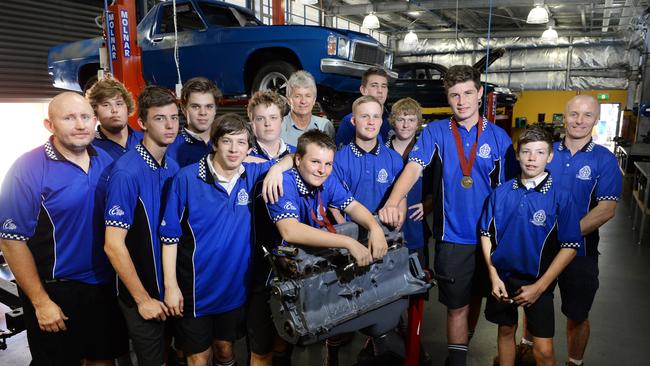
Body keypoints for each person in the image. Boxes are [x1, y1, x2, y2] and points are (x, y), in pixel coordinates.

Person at [379, 65, 516, 366]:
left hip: (490, 239)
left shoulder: (499, 139)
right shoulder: (437, 132)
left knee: (477, 297)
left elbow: (510, 192)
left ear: (480, 94)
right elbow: (413, 168)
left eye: (468, 93)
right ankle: (457, 361)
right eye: (455, 95)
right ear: (447, 97)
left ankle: (462, 346)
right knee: (456, 306)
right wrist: (393, 199)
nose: (462, 101)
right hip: (451, 237)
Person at [0, 92, 128, 365]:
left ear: (94, 120)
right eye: (69, 118)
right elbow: (11, 241)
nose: (80, 125)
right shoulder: (28, 168)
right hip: (56, 290)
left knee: (103, 360)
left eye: (84, 117)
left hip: (103, 286)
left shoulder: (106, 161)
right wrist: (41, 302)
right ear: (50, 125)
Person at [159, 114, 292, 366]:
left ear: (250, 148)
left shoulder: (254, 174)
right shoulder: (186, 178)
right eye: (228, 141)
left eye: (241, 143)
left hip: (233, 288)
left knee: (225, 351)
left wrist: (275, 168)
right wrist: (170, 286)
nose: (234, 149)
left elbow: (296, 157)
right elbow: (169, 238)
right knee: (199, 359)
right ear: (214, 143)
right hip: (195, 290)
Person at [266, 130, 393, 366]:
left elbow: (352, 205)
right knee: (282, 334)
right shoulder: (283, 182)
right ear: (297, 160)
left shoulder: (327, 178)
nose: (322, 170)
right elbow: (290, 231)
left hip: (311, 261)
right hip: (275, 270)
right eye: (315, 162)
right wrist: (348, 241)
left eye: (327, 164)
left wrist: (375, 228)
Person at [515, 95, 622, 366]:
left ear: (596, 119)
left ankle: (574, 362)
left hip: (581, 254)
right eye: (574, 114)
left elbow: (606, 209)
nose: (580, 120)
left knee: (577, 314)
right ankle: (526, 350)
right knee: (533, 302)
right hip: (539, 251)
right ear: (564, 116)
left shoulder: (604, 160)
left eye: (587, 115)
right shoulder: (545, 151)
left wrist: (565, 236)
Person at [480, 126, 582, 366]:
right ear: (517, 155)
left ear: (550, 156)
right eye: (526, 152)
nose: (532, 158)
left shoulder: (561, 196)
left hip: (538, 282)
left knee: (544, 351)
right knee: (506, 331)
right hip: (502, 279)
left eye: (539, 152)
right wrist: (493, 276)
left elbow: (570, 246)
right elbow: (486, 234)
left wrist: (539, 287)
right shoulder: (500, 193)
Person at [103, 85, 180, 366]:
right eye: (160, 118)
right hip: (142, 292)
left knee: (175, 355)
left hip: (169, 289)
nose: (170, 124)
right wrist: (142, 299)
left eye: (174, 117)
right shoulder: (126, 172)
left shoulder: (171, 166)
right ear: (143, 123)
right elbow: (113, 245)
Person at [330, 95, 404, 223]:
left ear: (381, 121)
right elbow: (333, 205)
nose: (371, 122)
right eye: (365, 116)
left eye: (376, 116)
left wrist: (399, 220)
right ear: (353, 121)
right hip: (351, 232)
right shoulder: (337, 160)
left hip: (385, 229)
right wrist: (347, 235)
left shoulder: (395, 159)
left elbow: (401, 196)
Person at [385, 97, 433, 264]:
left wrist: (428, 204)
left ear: (418, 123)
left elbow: (437, 186)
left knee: (419, 281)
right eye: (401, 119)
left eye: (411, 120)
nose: (405, 125)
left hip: (416, 227)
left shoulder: (427, 155)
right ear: (393, 121)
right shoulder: (381, 152)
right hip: (387, 229)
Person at [168, 76, 222, 167]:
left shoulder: (226, 144)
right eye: (195, 107)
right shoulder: (170, 149)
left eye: (209, 107)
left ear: (215, 109)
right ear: (183, 109)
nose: (203, 113)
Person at [86, 77, 143, 160]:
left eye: (119, 104)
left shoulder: (145, 141)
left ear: (127, 107)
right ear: (95, 111)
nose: (114, 110)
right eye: (106, 105)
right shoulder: (89, 147)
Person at [335, 67, 392, 148]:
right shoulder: (349, 121)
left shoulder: (393, 120)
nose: (380, 90)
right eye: (374, 85)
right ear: (363, 90)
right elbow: (343, 156)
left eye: (383, 86)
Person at [280, 70, 335, 146]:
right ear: (289, 100)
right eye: (297, 96)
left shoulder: (325, 126)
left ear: (314, 100)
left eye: (308, 96)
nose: (303, 101)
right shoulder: (278, 126)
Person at [247, 90, 296, 160]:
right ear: (252, 124)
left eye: (273, 118)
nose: (267, 124)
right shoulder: (243, 155)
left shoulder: (297, 153)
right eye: (260, 119)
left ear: (282, 121)